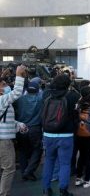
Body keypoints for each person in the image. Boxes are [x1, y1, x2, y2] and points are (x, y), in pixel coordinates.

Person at [41, 74, 80, 196]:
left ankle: (46, 189)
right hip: (66, 135)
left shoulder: (46, 94)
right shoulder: (72, 96)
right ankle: (63, 190)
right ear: (67, 84)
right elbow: (76, 115)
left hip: (48, 134)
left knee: (49, 161)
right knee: (65, 164)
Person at [0, 65, 28, 196]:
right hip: (3, 142)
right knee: (9, 168)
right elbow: (17, 92)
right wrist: (19, 75)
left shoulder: (3, 101)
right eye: (4, 84)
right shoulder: (1, 100)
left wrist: (19, 125)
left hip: (4, 139)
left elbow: (5, 120)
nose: (6, 86)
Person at [16, 81, 43, 181]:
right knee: (37, 150)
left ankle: (24, 172)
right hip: (35, 128)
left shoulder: (19, 99)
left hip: (20, 127)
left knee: (22, 150)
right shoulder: (40, 100)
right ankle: (29, 171)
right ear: (37, 90)